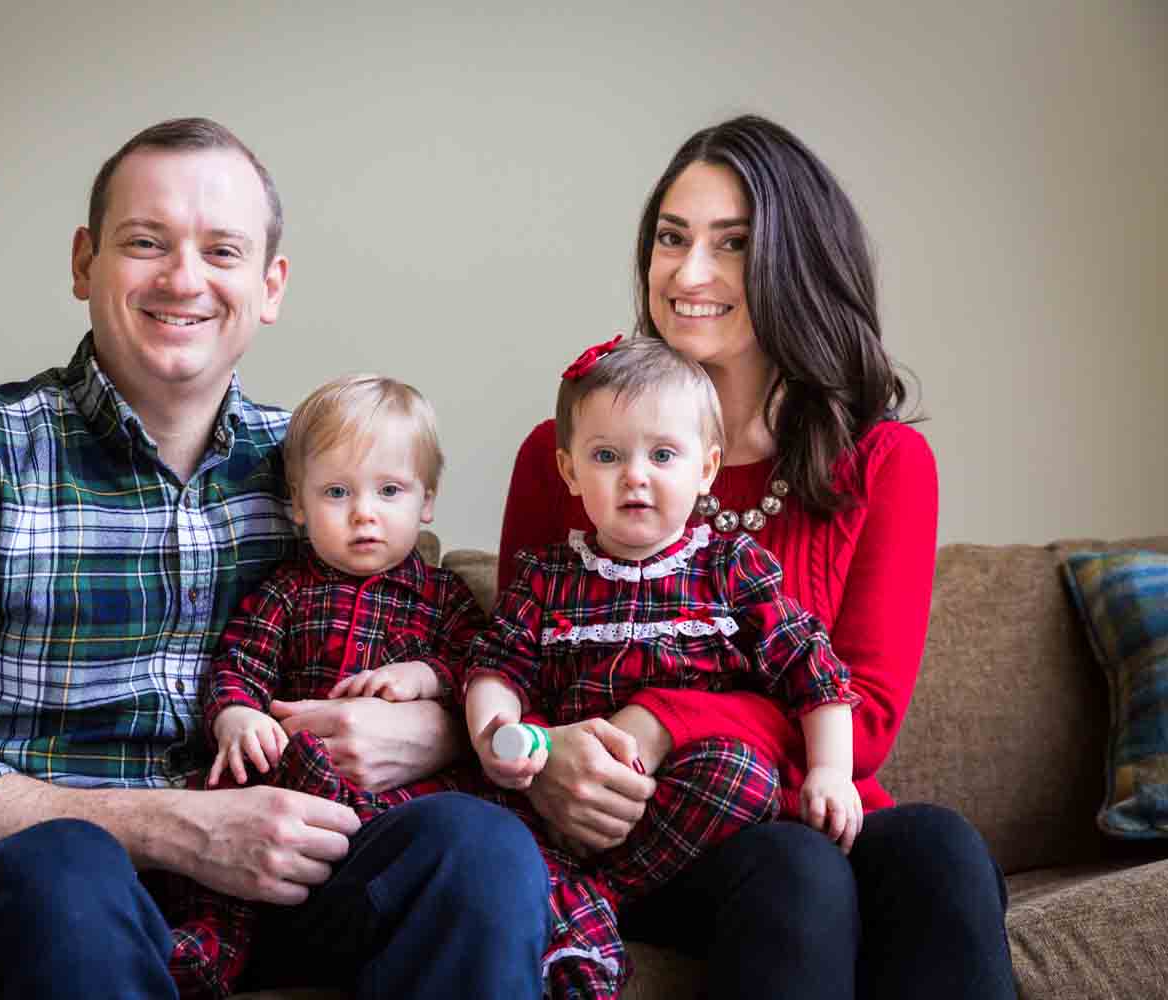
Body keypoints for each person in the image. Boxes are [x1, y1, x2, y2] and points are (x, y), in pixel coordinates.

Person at [0, 117, 548, 1000]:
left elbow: (436, 633)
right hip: (34, 905)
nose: (184, 279)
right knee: (65, 874)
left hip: (279, 893)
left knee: (477, 850)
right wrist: (176, 826)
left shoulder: (323, 475)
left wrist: (438, 725)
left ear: (269, 284)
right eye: (145, 243)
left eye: (222, 250)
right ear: (83, 263)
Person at [496, 115, 1016, 999]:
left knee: (939, 847)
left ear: (796, 264)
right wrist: (546, 758)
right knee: (795, 868)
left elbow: (871, 715)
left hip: (806, 802)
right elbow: (517, 656)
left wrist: (664, 717)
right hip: (637, 828)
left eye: (732, 244)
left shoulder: (882, 463)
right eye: (671, 238)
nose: (689, 273)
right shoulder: (574, 448)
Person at [466, 334, 861, 998]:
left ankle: (601, 895)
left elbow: (813, 672)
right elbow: (496, 669)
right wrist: (497, 738)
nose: (636, 476)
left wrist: (830, 772)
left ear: (706, 469)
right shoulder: (547, 580)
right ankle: (567, 893)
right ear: (568, 471)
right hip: (573, 800)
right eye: (607, 456)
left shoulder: (732, 571)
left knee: (740, 771)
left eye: (663, 455)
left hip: (691, 810)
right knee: (486, 822)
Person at [147, 373, 491, 997]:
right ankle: (212, 945)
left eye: (390, 490)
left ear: (427, 500)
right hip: (292, 788)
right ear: (299, 506)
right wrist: (236, 717)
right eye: (337, 492)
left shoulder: (445, 598)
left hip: (401, 806)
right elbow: (238, 665)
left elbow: (486, 669)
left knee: (478, 834)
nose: (364, 513)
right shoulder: (287, 590)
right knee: (228, 809)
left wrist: (430, 676)